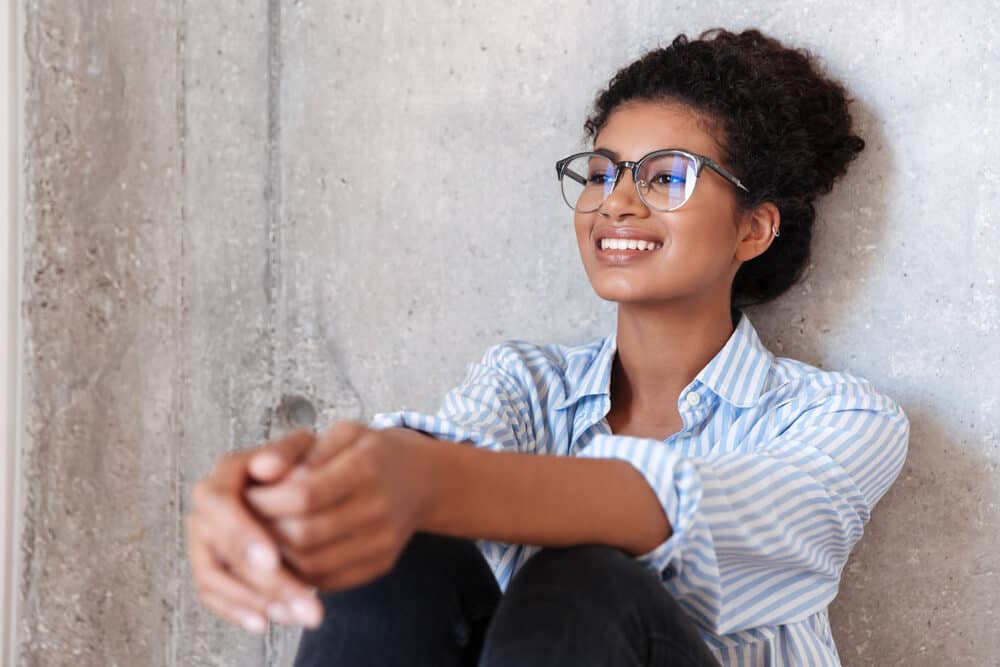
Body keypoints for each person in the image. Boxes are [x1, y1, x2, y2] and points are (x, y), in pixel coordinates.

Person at [186, 27, 910, 666]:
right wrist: (284, 496)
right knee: (401, 553)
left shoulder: (841, 420)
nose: (614, 202)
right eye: (600, 173)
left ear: (754, 228)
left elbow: (682, 511)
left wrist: (416, 477)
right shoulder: (525, 384)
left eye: (665, 177)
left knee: (587, 579)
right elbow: (426, 461)